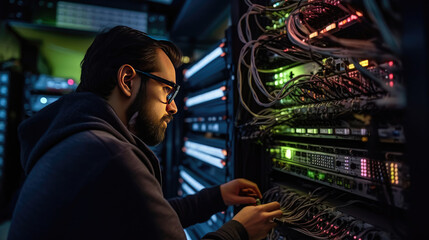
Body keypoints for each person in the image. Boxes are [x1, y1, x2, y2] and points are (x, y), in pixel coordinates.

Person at [7, 26, 282, 240]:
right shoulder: (109, 155)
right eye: (167, 90)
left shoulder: (78, 141)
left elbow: (147, 219)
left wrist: (216, 197)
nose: (174, 107)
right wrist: (241, 231)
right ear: (128, 80)